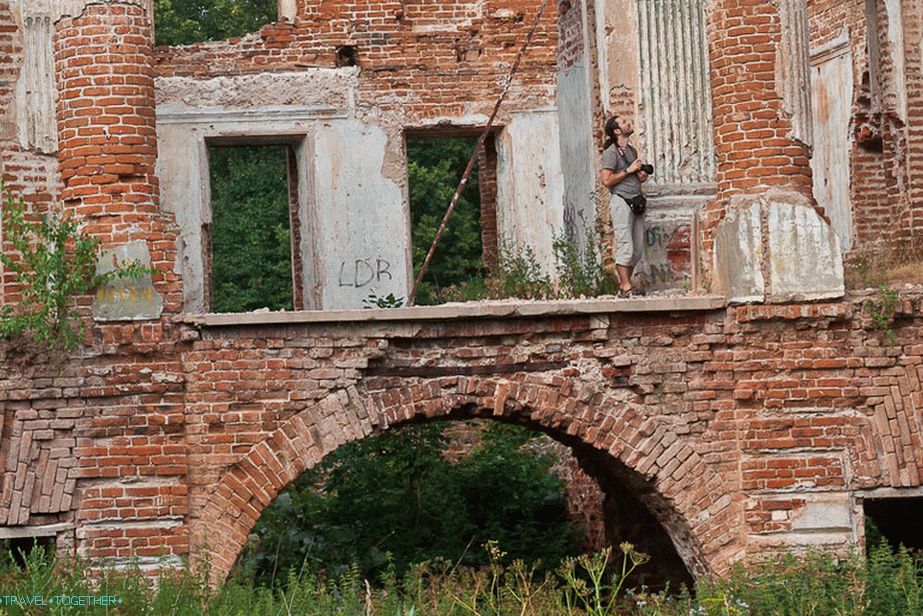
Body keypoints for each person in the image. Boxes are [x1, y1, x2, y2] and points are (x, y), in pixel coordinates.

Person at [600, 115, 649, 297]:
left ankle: (624, 286)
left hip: (636, 200)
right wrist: (629, 170)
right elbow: (606, 180)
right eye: (624, 122)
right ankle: (626, 286)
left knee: (636, 250)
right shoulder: (611, 152)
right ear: (617, 131)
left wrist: (640, 175)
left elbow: (632, 176)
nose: (629, 121)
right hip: (621, 200)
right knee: (625, 245)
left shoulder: (632, 151)